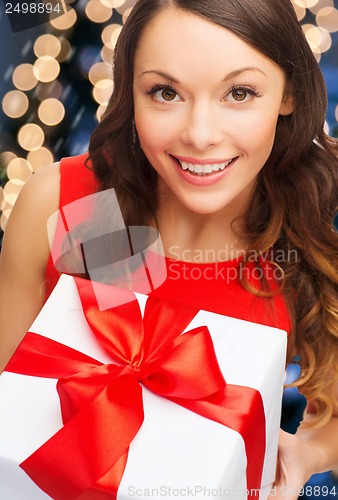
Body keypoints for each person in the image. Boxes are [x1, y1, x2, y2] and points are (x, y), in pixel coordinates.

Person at [0, 0, 337, 498]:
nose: (200, 135)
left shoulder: (309, 231)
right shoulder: (63, 203)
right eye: (165, 92)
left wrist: (308, 451)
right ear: (131, 93)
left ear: (288, 93)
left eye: (239, 93)